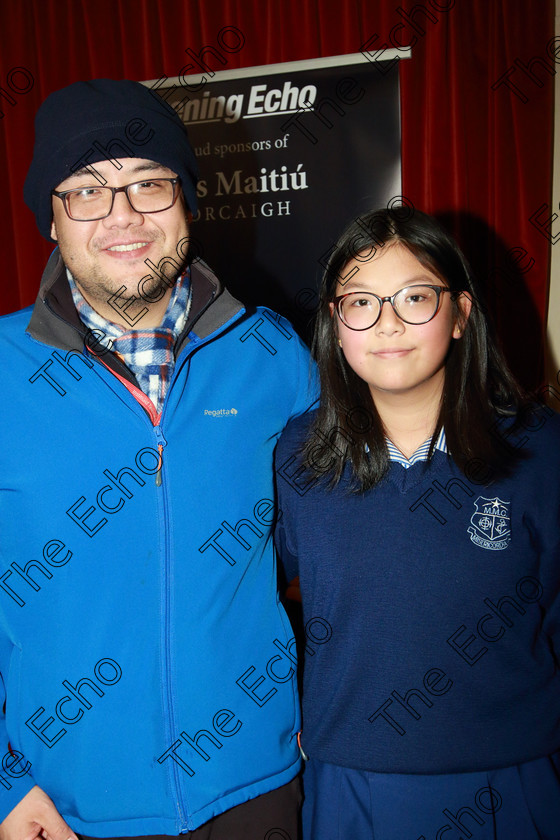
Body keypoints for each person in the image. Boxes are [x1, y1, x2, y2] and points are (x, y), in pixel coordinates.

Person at [0, 78, 316, 840]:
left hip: (258, 789)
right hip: (65, 810)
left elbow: (346, 551)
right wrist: (6, 782)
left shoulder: (274, 353)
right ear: (50, 216)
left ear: (189, 201)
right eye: (87, 192)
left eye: (150, 184)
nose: (124, 217)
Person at [274, 207, 560, 839]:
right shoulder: (298, 457)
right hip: (350, 785)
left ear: (461, 314)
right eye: (361, 303)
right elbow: (249, 607)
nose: (388, 324)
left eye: (415, 298)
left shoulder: (540, 452)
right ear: (334, 322)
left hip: (511, 784)